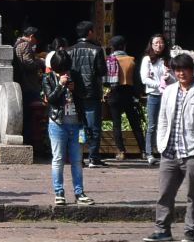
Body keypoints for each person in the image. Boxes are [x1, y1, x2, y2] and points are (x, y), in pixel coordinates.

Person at [143, 53, 194, 242]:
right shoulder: (169, 90)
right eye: (177, 70)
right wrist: (160, 144)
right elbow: (163, 119)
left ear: (192, 70)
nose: (181, 73)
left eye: (184, 69)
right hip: (170, 150)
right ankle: (162, 229)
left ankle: (191, 230)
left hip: (192, 151)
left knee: (193, 194)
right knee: (165, 192)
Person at [42, 49, 94, 206]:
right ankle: (59, 192)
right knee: (58, 159)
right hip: (57, 123)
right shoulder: (48, 78)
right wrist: (60, 85)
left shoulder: (75, 75)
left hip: (76, 124)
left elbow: (85, 93)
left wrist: (74, 89)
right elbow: (50, 99)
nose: (64, 72)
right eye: (61, 69)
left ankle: (79, 192)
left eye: (66, 68)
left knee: (77, 160)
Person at [68, 21, 109, 168]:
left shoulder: (69, 50)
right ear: (90, 32)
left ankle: (79, 156)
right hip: (92, 92)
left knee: (79, 125)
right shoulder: (97, 50)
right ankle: (93, 157)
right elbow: (102, 71)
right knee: (94, 126)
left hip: (75, 93)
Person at [105, 35, 146, 161]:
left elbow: (105, 81)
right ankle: (143, 150)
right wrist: (139, 94)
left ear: (112, 47)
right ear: (124, 46)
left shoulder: (109, 60)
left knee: (116, 124)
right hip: (128, 93)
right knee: (135, 123)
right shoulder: (131, 60)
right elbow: (136, 80)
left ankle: (121, 151)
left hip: (114, 93)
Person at [140, 34, 174, 167]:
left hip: (167, 95)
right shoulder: (147, 59)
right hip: (154, 95)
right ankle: (149, 153)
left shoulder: (168, 59)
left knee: (167, 123)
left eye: (161, 43)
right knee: (152, 124)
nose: (159, 45)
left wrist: (168, 77)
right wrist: (159, 85)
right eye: (156, 43)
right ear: (151, 45)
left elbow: (175, 77)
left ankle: (165, 152)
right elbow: (145, 79)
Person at [12, 27, 46, 155]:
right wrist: (40, 62)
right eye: (36, 39)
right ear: (31, 36)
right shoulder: (25, 45)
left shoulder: (16, 43)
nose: (36, 43)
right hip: (28, 85)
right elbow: (28, 62)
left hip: (23, 84)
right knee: (30, 116)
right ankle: (30, 142)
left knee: (27, 115)